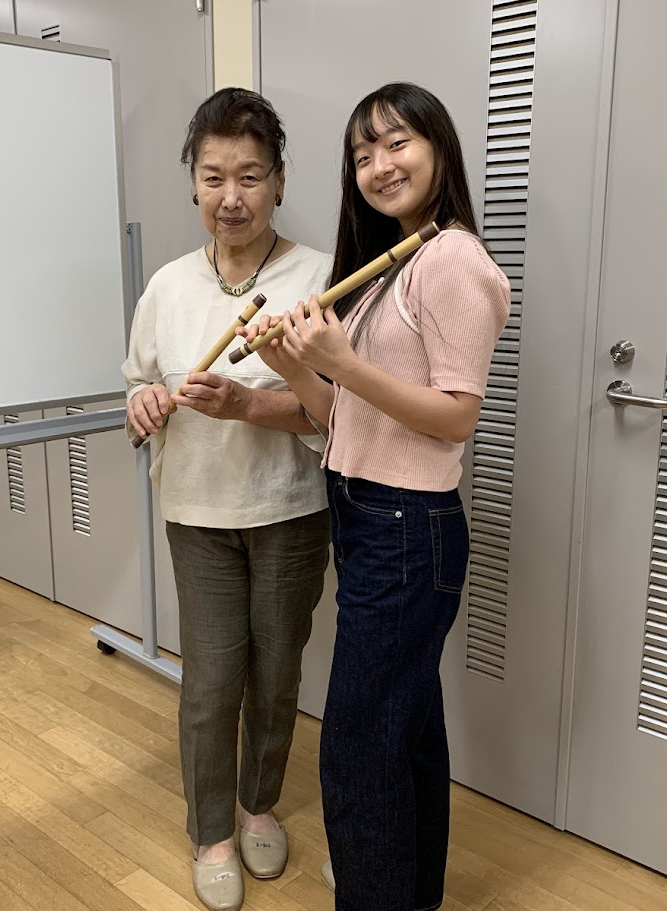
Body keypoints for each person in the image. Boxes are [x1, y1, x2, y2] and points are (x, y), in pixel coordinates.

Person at [241, 82, 510, 911]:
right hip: (371, 517)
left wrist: (344, 362)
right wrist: (295, 367)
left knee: (358, 747)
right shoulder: (395, 264)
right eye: (362, 155)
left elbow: (455, 417)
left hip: (403, 527)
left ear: (437, 148)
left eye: (397, 143)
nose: (379, 166)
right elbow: (347, 420)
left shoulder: (451, 258)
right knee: (404, 728)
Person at [121, 87, 331, 911]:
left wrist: (247, 404)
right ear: (193, 185)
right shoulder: (168, 285)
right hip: (198, 513)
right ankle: (211, 831)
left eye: (249, 175)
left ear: (278, 181)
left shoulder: (318, 276)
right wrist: (141, 402)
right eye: (213, 177)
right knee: (210, 681)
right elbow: (137, 384)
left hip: (290, 509)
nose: (231, 196)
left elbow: (336, 411)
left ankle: (257, 805)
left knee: (275, 674)